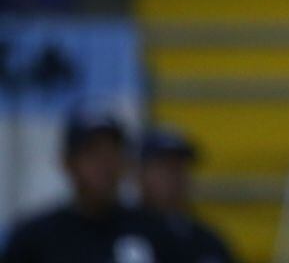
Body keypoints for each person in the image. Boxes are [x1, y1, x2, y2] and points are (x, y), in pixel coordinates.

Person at [0, 108, 184, 263]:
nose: (104, 164)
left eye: (112, 152)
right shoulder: (35, 239)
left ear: (125, 162)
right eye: (92, 153)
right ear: (67, 163)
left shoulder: (155, 232)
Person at [138, 127, 235, 263]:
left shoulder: (207, 241)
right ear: (140, 173)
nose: (174, 176)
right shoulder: (122, 230)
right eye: (164, 166)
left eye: (180, 167)